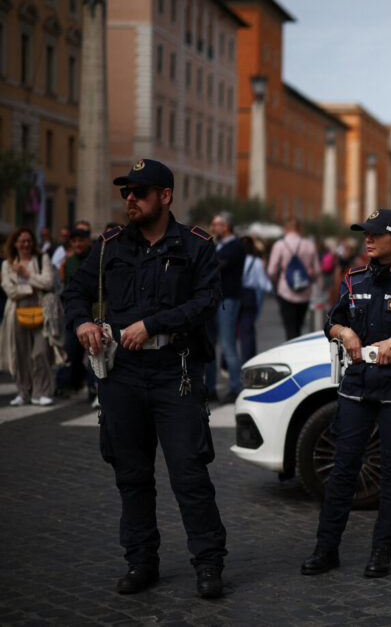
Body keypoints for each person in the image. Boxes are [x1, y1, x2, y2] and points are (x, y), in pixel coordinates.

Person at [61, 159, 228, 599]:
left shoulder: (195, 245)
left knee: (189, 474)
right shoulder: (110, 245)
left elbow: (208, 300)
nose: (130, 199)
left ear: (165, 196)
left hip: (177, 371)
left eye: (139, 192)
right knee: (131, 475)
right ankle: (141, 562)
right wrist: (81, 321)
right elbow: (75, 291)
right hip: (123, 375)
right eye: (125, 193)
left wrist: (153, 324)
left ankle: (209, 563)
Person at [302, 209, 391, 579]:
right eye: (364, 233)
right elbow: (331, 321)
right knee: (343, 469)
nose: (367, 239)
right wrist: (343, 332)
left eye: (375, 233)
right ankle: (326, 549)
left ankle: (381, 550)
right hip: (357, 384)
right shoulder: (353, 279)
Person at [1, 228, 59, 406]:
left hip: (41, 309)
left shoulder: (42, 259)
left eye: (29, 240)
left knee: (40, 352)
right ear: (15, 243)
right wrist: (30, 288)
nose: (26, 244)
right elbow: (9, 290)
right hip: (16, 311)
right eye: (22, 241)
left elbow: (48, 282)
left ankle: (43, 391)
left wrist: (26, 275)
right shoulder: (8, 264)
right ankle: (24, 392)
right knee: (20, 353)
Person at [55, 224, 99, 404]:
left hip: (94, 312)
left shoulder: (95, 258)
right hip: (73, 313)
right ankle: (67, 383)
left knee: (94, 351)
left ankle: (92, 386)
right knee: (70, 350)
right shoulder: (68, 262)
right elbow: (65, 286)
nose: (77, 244)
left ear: (88, 241)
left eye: (81, 240)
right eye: (74, 241)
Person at [205, 212, 244, 404]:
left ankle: (236, 388)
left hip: (227, 300)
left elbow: (216, 265)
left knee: (228, 345)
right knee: (209, 345)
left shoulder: (235, 246)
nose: (212, 228)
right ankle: (210, 388)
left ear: (225, 226)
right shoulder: (216, 245)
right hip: (212, 299)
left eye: (215, 225)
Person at [266, 217, 320, 341]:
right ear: (299, 228)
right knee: (299, 326)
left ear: (285, 228)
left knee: (289, 328)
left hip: (285, 291)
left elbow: (271, 271)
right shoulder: (309, 244)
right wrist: (310, 277)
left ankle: (291, 347)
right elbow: (317, 271)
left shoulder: (280, 245)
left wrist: (276, 283)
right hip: (304, 292)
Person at [239, 235, 273, 364]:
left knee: (230, 332)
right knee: (248, 330)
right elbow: (264, 283)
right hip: (249, 295)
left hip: (234, 294)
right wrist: (273, 290)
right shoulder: (256, 261)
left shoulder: (236, 260)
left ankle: (226, 363)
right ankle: (248, 359)